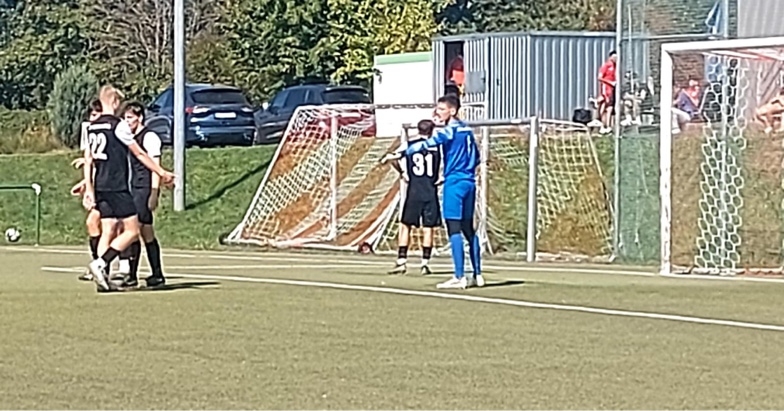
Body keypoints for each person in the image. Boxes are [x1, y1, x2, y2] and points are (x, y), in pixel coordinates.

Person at [385, 94, 483, 289]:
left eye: (441, 109)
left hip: (454, 182)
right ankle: (477, 274)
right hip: (470, 182)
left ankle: (459, 276)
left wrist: (401, 153)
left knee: (454, 228)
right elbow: (477, 157)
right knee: (468, 229)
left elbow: (427, 143)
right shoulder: (467, 130)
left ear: (452, 111)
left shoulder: (449, 130)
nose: (437, 113)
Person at [83, 85, 174, 292]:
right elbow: (139, 153)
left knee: (108, 229)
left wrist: (89, 188)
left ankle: (102, 278)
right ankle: (101, 264)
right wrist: (161, 172)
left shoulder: (91, 127)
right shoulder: (118, 126)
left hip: (100, 185)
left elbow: (88, 160)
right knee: (132, 230)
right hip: (117, 185)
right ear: (115, 102)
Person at [119, 102, 166, 288]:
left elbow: (156, 167)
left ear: (140, 118)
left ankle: (131, 275)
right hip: (133, 187)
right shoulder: (129, 138)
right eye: (125, 118)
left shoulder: (149, 137)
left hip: (144, 188)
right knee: (147, 232)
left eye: (130, 118)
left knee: (133, 229)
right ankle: (157, 274)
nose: (127, 122)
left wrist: (154, 193)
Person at [388, 119, 442, 276]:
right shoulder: (437, 146)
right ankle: (425, 264)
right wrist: (442, 178)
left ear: (418, 130)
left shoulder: (410, 145)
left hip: (414, 191)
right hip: (430, 191)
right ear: (432, 131)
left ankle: (401, 261)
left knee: (405, 225)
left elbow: (392, 157)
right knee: (428, 228)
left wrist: (403, 173)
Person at [74, 99, 106, 282]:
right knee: (93, 223)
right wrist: (86, 184)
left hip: (115, 185)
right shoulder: (90, 131)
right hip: (100, 185)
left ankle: (122, 268)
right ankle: (98, 265)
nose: (94, 118)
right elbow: (91, 163)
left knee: (121, 229)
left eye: (97, 114)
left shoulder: (112, 130)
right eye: (92, 115)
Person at [597, 51, 617, 134]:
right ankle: (601, 125)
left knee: (610, 107)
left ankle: (608, 126)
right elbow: (599, 77)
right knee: (605, 105)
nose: (615, 59)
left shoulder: (616, 66)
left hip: (612, 89)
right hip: (606, 88)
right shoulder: (606, 65)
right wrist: (610, 82)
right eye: (614, 57)